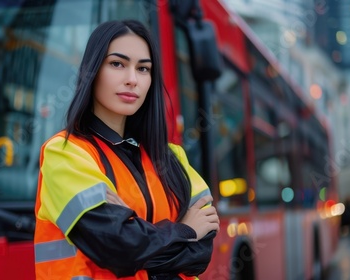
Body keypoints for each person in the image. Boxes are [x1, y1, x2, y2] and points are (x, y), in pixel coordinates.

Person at [34, 19, 220, 280]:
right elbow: (118, 247)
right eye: (117, 64)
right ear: (92, 71)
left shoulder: (173, 157)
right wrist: (185, 231)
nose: (132, 80)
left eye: (143, 69)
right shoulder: (65, 153)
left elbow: (201, 252)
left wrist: (138, 234)